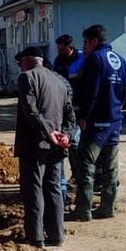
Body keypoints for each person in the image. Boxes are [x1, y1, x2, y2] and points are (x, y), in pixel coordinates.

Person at [13, 46, 76, 248]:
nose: (20, 67)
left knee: (33, 189)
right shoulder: (60, 81)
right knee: (54, 189)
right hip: (57, 147)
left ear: (28, 60)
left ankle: (35, 237)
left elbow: (30, 110)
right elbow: (70, 116)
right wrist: (65, 136)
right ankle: (57, 236)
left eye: (20, 63)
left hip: (35, 145)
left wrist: (48, 133)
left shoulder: (27, 78)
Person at [68, 24, 126, 222]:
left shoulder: (95, 59)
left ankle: (83, 209)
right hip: (114, 121)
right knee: (111, 168)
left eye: (85, 42)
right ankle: (107, 207)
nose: (83, 47)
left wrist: (84, 116)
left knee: (87, 165)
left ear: (95, 41)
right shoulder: (120, 60)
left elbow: (91, 92)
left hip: (96, 122)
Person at [52, 34, 85, 189]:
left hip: (80, 109)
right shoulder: (58, 61)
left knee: (73, 142)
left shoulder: (82, 59)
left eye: (62, 49)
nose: (60, 52)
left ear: (70, 47)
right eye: (58, 49)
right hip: (64, 110)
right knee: (67, 143)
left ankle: (79, 176)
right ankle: (77, 175)